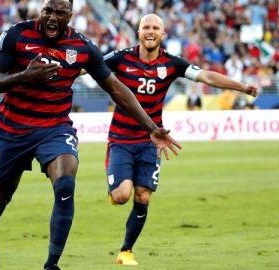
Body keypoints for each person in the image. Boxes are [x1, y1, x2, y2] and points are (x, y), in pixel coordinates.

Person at [0, 2, 181, 270]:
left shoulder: (82, 47)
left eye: (59, 12)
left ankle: (51, 265)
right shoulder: (17, 34)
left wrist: (151, 126)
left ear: (70, 16)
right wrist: (26, 75)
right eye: (48, 10)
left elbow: (116, 89)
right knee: (0, 197)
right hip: (13, 129)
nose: (51, 17)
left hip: (54, 128)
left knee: (65, 185)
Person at [103, 14, 258, 266]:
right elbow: (89, 67)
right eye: (146, 27)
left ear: (163, 34)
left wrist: (241, 86)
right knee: (122, 196)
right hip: (121, 138)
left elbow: (207, 76)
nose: (150, 31)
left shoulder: (172, 63)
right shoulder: (121, 57)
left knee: (143, 197)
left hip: (152, 140)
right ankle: (114, 189)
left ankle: (126, 251)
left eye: (155, 28)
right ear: (138, 32)